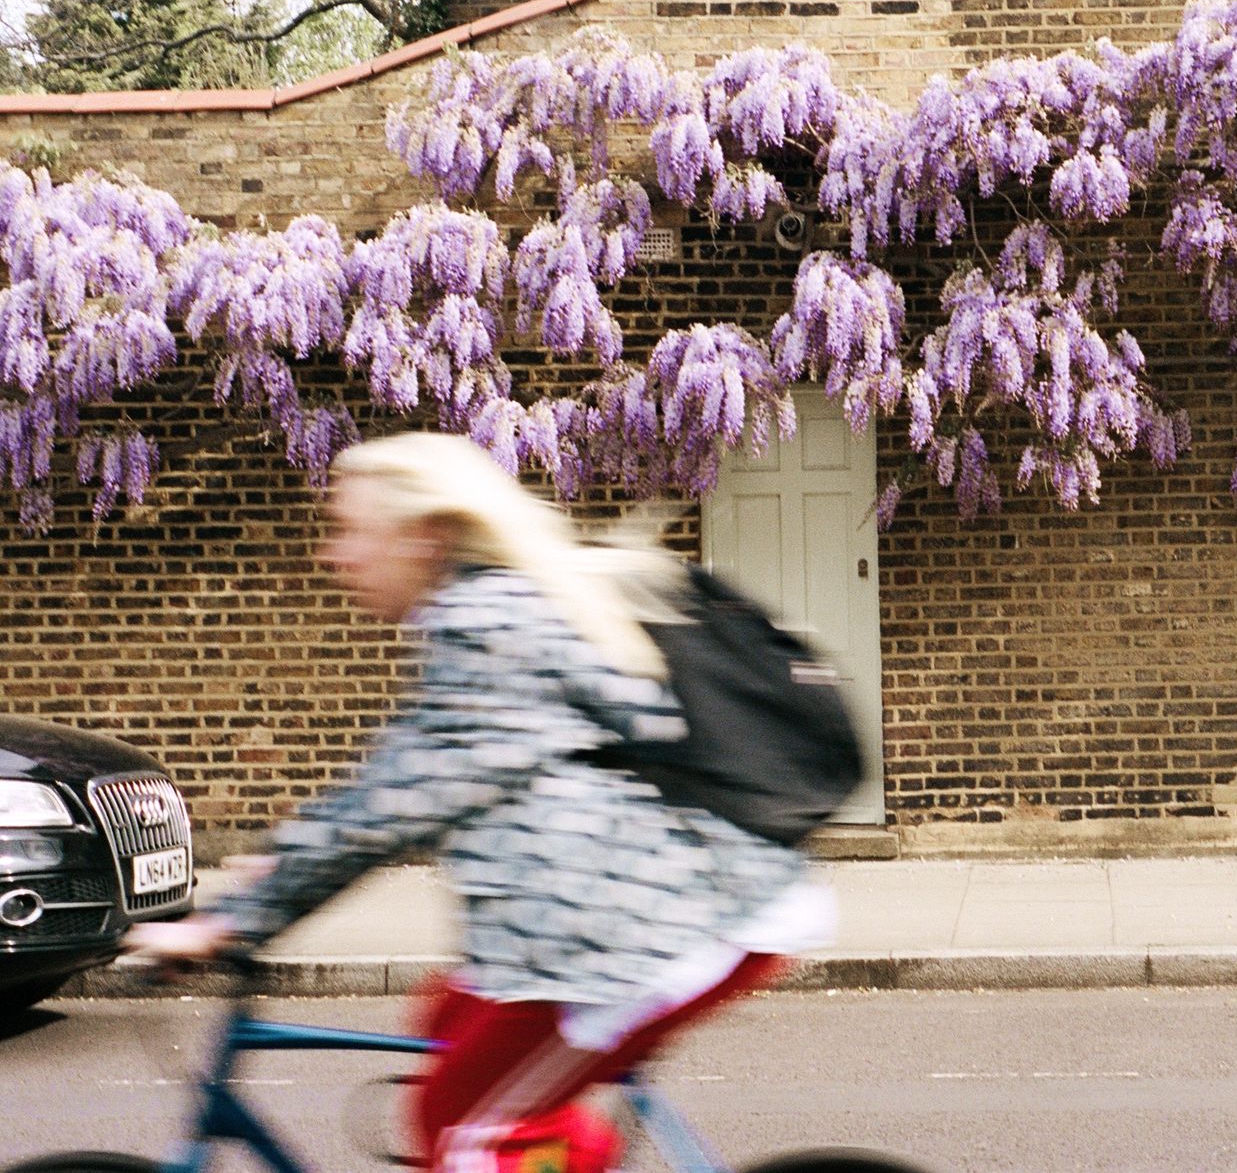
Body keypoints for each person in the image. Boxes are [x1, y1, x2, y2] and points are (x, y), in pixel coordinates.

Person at [126, 431, 833, 1173]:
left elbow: (392, 806)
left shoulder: (489, 629)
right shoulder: (494, 615)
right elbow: (405, 782)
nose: (330, 556)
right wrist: (274, 869)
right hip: (632, 920)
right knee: (449, 1018)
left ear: (426, 539)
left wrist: (228, 923)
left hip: (663, 937)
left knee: (465, 1128)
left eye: (347, 531)